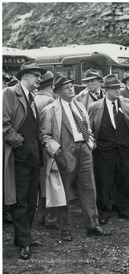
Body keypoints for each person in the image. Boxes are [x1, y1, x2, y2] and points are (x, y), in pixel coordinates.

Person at [40, 74, 109, 242]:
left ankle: (93, 225)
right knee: (64, 192)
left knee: (89, 188)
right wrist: (56, 153)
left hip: (84, 150)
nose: (71, 88)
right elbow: (44, 136)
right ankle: (65, 228)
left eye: (71, 86)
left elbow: (87, 127)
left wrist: (89, 144)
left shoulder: (79, 106)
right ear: (57, 92)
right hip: (64, 153)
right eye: (66, 87)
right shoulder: (50, 110)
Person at [3, 60, 46, 260]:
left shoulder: (32, 98)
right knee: (20, 200)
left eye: (40, 76)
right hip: (19, 157)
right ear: (25, 76)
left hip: (34, 157)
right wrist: (19, 143)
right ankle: (24, 242)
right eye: (36, 75)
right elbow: (3, 124)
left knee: (31, 200)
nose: (39, 79)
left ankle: (23, 237)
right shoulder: (10, 93)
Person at [88, 74, 129, 224]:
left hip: (125, 150)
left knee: (124, 180)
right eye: (114, 88)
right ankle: (104, 212)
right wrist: (94, 146)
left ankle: (124, 209)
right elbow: (89, 130)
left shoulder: (128, 103)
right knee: (104, 182)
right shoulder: (95, 107)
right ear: (106, 90)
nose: (118, 90)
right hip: (103, 152)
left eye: (118, 87)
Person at [34, 71, 58, 228]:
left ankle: (40, 217)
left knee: (41, 184)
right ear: (52, 85)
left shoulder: (35, 98)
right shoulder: (50, 100)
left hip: (36, 148)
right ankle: (49, 219)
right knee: (50, 183)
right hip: (47, 148)